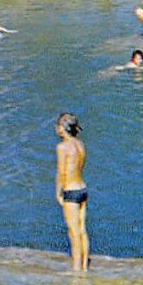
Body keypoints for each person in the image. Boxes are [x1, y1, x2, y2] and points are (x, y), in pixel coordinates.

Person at [54, 113, 89, 273]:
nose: (56, 128)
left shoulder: (62, 147)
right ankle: (84, 266)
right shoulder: (80, 144)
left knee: (73, 232)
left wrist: (58, 193)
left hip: (71, 191)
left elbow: (61, 172)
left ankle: (76, 270)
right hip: (82, 188)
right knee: (82, 230)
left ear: (63, 129)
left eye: (58, 125)